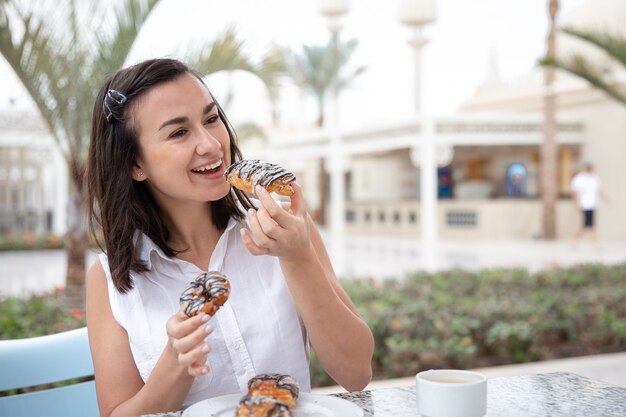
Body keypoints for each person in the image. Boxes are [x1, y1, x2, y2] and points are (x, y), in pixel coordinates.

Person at [86, 58, 374, 417]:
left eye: (211, 119)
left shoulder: (284, 228)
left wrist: (299, 259)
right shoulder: (111, 280)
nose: (210, 144)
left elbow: (356, 373)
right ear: (135, 164)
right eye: (179, 133)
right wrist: (175, 365)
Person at [570, 162, 603, 242]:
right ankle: (593, 242)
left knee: (587, 224)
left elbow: (599, 190)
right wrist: (576, 203)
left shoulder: (594, 178)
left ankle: (574, 241)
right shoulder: (579, 178)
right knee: (588, 225)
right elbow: (575, 192)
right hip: (584, 204)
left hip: (592, 204)